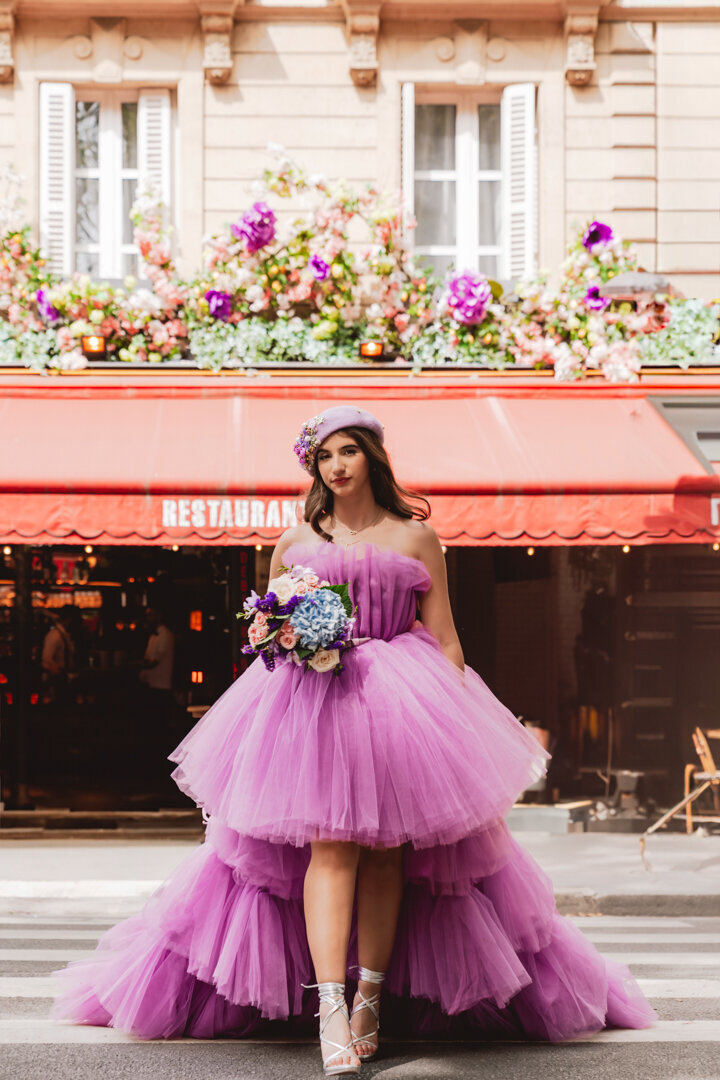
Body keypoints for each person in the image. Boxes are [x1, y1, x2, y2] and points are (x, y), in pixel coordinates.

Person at [51, 406, 656, 1073]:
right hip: (314, 707)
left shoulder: (417, 539)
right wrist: (280, 635)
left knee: (388, 857)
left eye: (347, 452)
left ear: (372, 456)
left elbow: (447, 638)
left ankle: (371, 994)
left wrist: (449, 729)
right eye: (324, 457)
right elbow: (270, 637)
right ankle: (330, 1004)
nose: (335, 467)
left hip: (402, 706)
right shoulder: (294, 543)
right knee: (330, 852)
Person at [40, 605, 76, 707]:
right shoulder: (55, 635)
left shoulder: (62, 634)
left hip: (63, 677)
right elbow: (46, 659)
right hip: (59, 678)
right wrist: (57, 672)